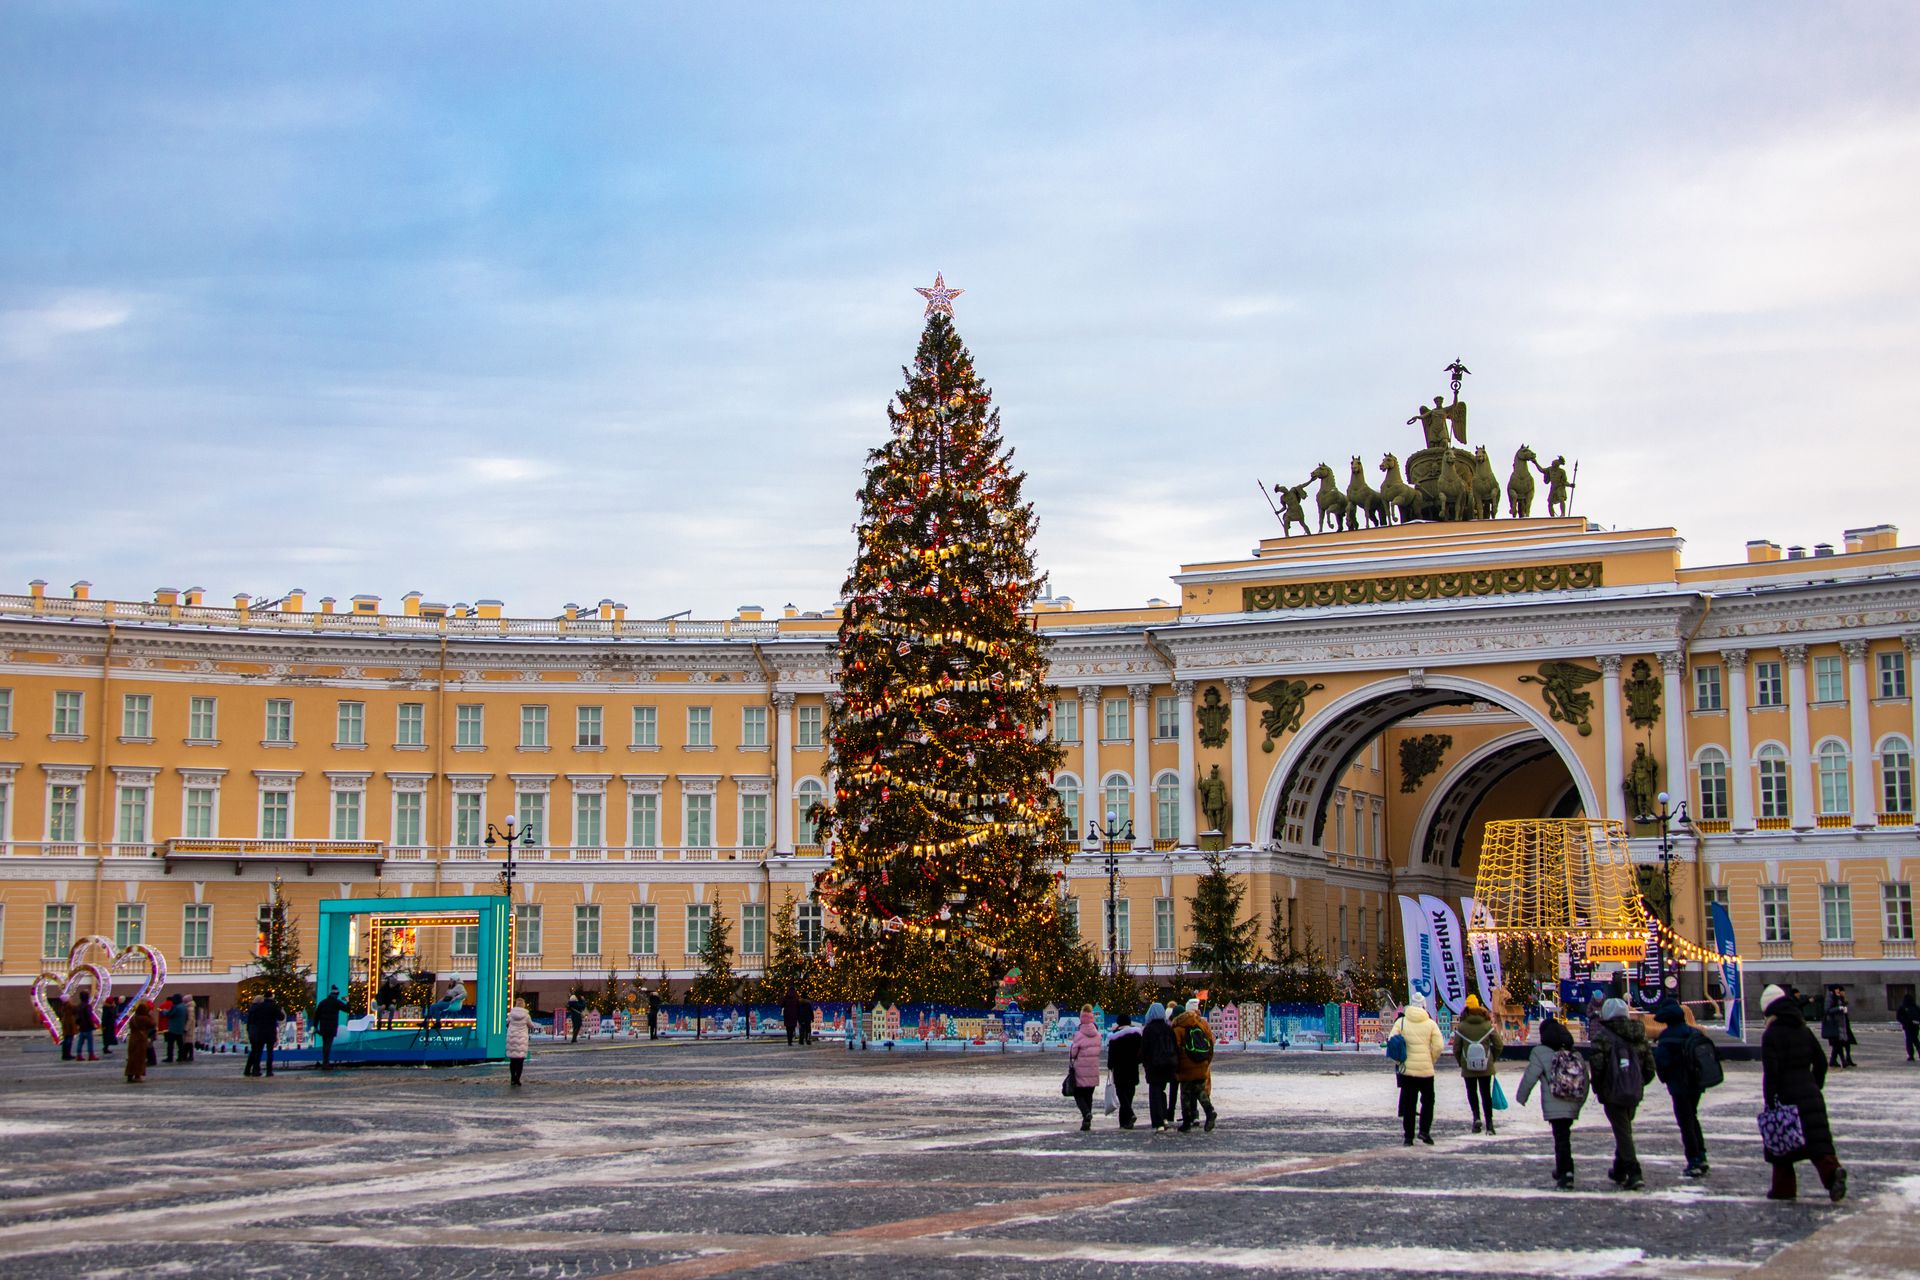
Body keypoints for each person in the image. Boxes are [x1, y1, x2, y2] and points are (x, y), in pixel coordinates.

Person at [1761, 983, 1847, 1201]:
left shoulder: (1772, 1034)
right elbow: (1821, 1062)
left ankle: (1783, 1188)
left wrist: (1770, 1099)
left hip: (1786, 1094)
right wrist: (1815, 1085)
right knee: (1817, 1141)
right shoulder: (1803, 1029)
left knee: (1782, 1143)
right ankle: (1832, 1173)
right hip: (1809, 1091)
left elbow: (1771, 1072)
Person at [1588, 997, 1656, 1190]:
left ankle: (1634, 1172)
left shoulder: (1603, 1036)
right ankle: (1619, 1169)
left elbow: (1597, 1066)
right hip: (1633, 1091)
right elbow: (1650, 1066)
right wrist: (1639, 1083)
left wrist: (1600, 1088)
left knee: (1623, 1132)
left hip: (1613, 1091)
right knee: (1624, 1128)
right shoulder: (1638, 1034)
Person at [1516, 1014, 1586, 1189]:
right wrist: (1579, 1102)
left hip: (1554, 1103)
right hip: (1571, 1101)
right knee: (1564, 1136)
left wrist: (1521, 1096)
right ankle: (1563, 1168)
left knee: (1560, 1138)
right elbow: (1585, 1079)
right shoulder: (1575, 1053)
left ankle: (1565, 1172)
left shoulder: (1540, 1053)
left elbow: (1530, 1076)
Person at [1651, 1001, 1714, 1177]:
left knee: (1685, 1122)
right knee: (1692, 1118)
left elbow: (1663, 1063)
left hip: (1679, 1086)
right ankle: (1701, 1155)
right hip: (1696, 1083)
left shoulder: (1667, 1037)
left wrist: (1665, 1076)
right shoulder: (1693, 1033)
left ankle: (1694, 1159)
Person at [1389, 992, 1445, 1145]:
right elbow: (1439, 1046)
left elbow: (1392, 1041)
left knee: (1409, 1104)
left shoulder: (1401, 1023)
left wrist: (1399, 1060)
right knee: (1428, 1101)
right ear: (1424, 1006)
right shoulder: (1431, 1023)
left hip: (1408, 1070)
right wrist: (1431, 1059)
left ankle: (1408, 1137)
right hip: (1426, 1071)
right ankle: (1424, 1131)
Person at [1450, 993, 1504, 1134]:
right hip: (1485, 1065)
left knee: (1472, 1092)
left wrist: (1461, 1062)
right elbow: (1498, 1044)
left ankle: (1476, 1118)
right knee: (1486, 1094)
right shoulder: (1487, 1025)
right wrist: (1492, 1059)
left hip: (1468, 1066)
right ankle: (1490, 1125)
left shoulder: (1461, 1027)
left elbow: (1456, 1048)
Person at [1171, 998, 1218, 1133]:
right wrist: (1206, 1061)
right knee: (1199, 1090)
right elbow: (1209, 1043)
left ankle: (1187, 1122)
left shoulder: (1178, 1028)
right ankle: (1210, 1111)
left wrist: (1177, 1067)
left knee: (1185, 1094)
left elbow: (1176, 1049)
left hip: (1186, 1067)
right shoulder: (1200, 1024)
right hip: (1201, 1063)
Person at [1141, 1002, 1179, 1133]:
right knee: (1161, 1091)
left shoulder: (1149, 1029)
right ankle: (1164, 1118)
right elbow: (1175, 1046)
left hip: (1154, 1066)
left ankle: (1158, 1122)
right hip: (1168, 1065)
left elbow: (1144, 1050)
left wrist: (1143, 1062)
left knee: (1155, 1092)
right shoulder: (1168, 1028)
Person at [1066, 1005, 1103, 1130]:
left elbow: (1073, 1053)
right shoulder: (1098, 1035)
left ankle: (1086, 1114)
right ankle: (1087, 1122)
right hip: (1093, 1069)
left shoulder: (1079, 1035)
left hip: (1080, 1070)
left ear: (1081, 1018)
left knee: (1078, 1094)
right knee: (1089, 1096)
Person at [1107, 1012, 1142, 1130]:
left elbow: (1111, 1054)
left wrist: (1110, 1065)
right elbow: (1140, 1052)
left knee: (1121, 1094)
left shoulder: (1114, 1036)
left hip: (1120, 1070)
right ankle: (1125, 1122)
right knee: (1129, 1094)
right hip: (1132, 1068)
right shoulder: (1136, 1035)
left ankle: (1129, 1115)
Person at [244, 990, 284, 1078]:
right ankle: (269, 1071)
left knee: (259, 1051)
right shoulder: (274, 1006)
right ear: (272, 997)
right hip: (270, 1031)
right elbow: (281, 1017)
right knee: (270, 1052)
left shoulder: (259, 1006)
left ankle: (256, 1070)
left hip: (260, 1031)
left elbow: (253, 1018)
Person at [1821, 987, 1856, 1068]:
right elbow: (1827, 1010)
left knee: (1838, 1044)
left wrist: (1843, 1007)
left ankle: (1835, 1061)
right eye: (1836, 989)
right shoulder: (1830, 998)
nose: (1838, 991)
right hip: (1834, 1024)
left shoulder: (1837, 998)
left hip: (1840, 1024)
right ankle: (1843, 1061)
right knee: (1838, 1043)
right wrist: (1839, 1008)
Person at [313, 986, 346, 1070]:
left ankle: (325, 1062)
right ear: (336, 994)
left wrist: (315, 1026)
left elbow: (317, 1015)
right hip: (332, 1027)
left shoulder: (322, 1002)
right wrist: (348, 1001)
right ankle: (326, 1063)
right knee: (328, 1045)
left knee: (325, 1045)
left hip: (323, 1027)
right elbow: (347, 1009)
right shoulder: (336, 1002)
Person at [124, 1001, 156, 1084]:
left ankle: (129, 1075)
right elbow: (153, 1024)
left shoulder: (133, 1018)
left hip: (133, 1038)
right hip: (141, 1039)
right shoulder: (145, 1018)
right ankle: (137, 1075)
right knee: (140, 1058)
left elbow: (130, 1026)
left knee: (132, 1057)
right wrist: (150, 1016)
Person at [505, 996, 532, 1086]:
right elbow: (531, 1025)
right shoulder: (526, 1015)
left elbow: (507, 1023)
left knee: (512, 1061)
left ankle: (512, 1078)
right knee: (520, 1061)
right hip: (522, 1039)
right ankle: (517, 1079)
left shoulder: (511, 1014)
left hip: (512, 1038)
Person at [164, 993, 194, 1064]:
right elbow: (187, 1017)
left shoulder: (176, 1007)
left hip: (173, 1028)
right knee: (180, 1044)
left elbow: (169, 1014)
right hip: (180, 1028)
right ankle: (180, 1057)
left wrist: (164, 1012)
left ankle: (170, 1058)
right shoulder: (184, 1007)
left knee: (170, 1045)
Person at [73, 991, 99, 1061]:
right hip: (87, 1026)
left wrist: (78, 1024)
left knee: (80, 1042)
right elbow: (89, 1017)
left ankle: (78, 1055)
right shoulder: (87, 1006)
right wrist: (92, 1025)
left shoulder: (78, 1006)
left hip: (81, 1026)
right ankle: (91, 1055)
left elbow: (77, 1017)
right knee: (90, 1042)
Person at [1898, 992, 1920, 1063]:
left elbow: (1899, 1017)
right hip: (1915, 1026)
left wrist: (1904, 1022)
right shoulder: (1916, 1007)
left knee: (1909, 1041)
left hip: (1908, 1026)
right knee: (1916, 1040)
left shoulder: (1903, 1007)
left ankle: (1911, 1056)